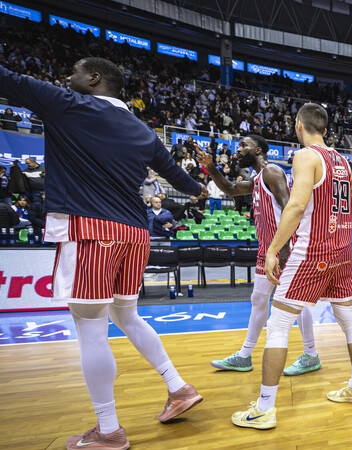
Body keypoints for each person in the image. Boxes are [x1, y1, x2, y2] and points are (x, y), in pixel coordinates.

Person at [0, 57, 206, 449]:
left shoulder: (68, 103)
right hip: (136, 234)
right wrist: (211, 185)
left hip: (92, 231)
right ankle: (178, 388)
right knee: (126, 315)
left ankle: (108, 431)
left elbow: (7, 79)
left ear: (94, 78)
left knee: (90, 327)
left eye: (74, 71)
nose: (67, 76)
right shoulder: (145, 131)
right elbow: (184, 182)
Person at [232, 103, 352, 430]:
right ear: (325, 129)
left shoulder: (306, 155)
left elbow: (296, 205)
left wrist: (273, 250)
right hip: (343, 251)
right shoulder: (342, 160)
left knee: (278, 324)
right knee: (349, 319)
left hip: (312, 251)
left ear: (299, 126)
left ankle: (264, 409)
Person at [196, 135, 321, 377]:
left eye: (244, 145)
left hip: (283, 247)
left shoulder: (272, 171)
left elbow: (289, 208)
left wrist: (283, 249)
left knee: (296, 301)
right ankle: (244, 356)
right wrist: (210, 166)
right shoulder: (257, 179)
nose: (239, 149)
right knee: (259, 299)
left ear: (258, 150)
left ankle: (311, 353)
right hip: (268, 248)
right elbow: (231, 189)